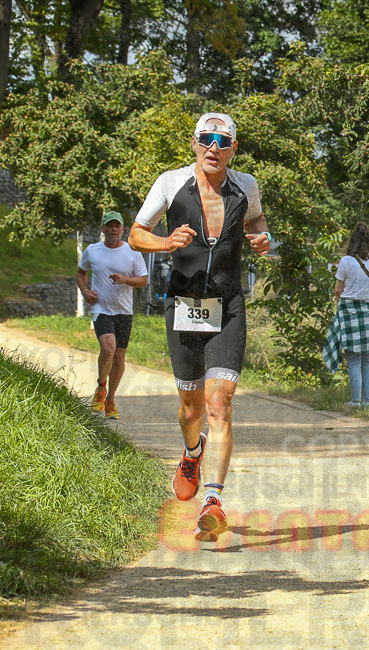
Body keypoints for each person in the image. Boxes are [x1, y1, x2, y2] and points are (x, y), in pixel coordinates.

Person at [128, 112, 272, 542]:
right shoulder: (170, 183)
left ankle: (213, 501)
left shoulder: (246, 185)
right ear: (194, 143)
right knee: (191, 409)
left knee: (219, 403)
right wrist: (165, 242)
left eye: (222, 141)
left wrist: (264, 239)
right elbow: (137, 233)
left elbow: (257, 222)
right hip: (184, 306)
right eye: (206, 139)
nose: (213, 147)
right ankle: (193, 452)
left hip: (228, 306)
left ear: (234, 148)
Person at [76, 211, 149, 420]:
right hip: (101, 308)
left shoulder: (133, 252)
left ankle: (111, 399)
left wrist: (125, 280)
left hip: (124, 311)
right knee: (108, 348)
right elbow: (81, 273)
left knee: (119, 357)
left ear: (123, 230)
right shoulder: (92, 250)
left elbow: (143, 280)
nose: (113, 229)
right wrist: (85, 291)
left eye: (117, 226)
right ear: (103, 229)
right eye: (109, 226)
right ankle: (101, 388)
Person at [324, 223, 369, 407]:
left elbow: (338, 290)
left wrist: (339, 302)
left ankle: (356, 400)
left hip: (349, 310)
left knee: (353, 359)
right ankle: (368, 401)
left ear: (352, 240)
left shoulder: (346, 261)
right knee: (366, 359)